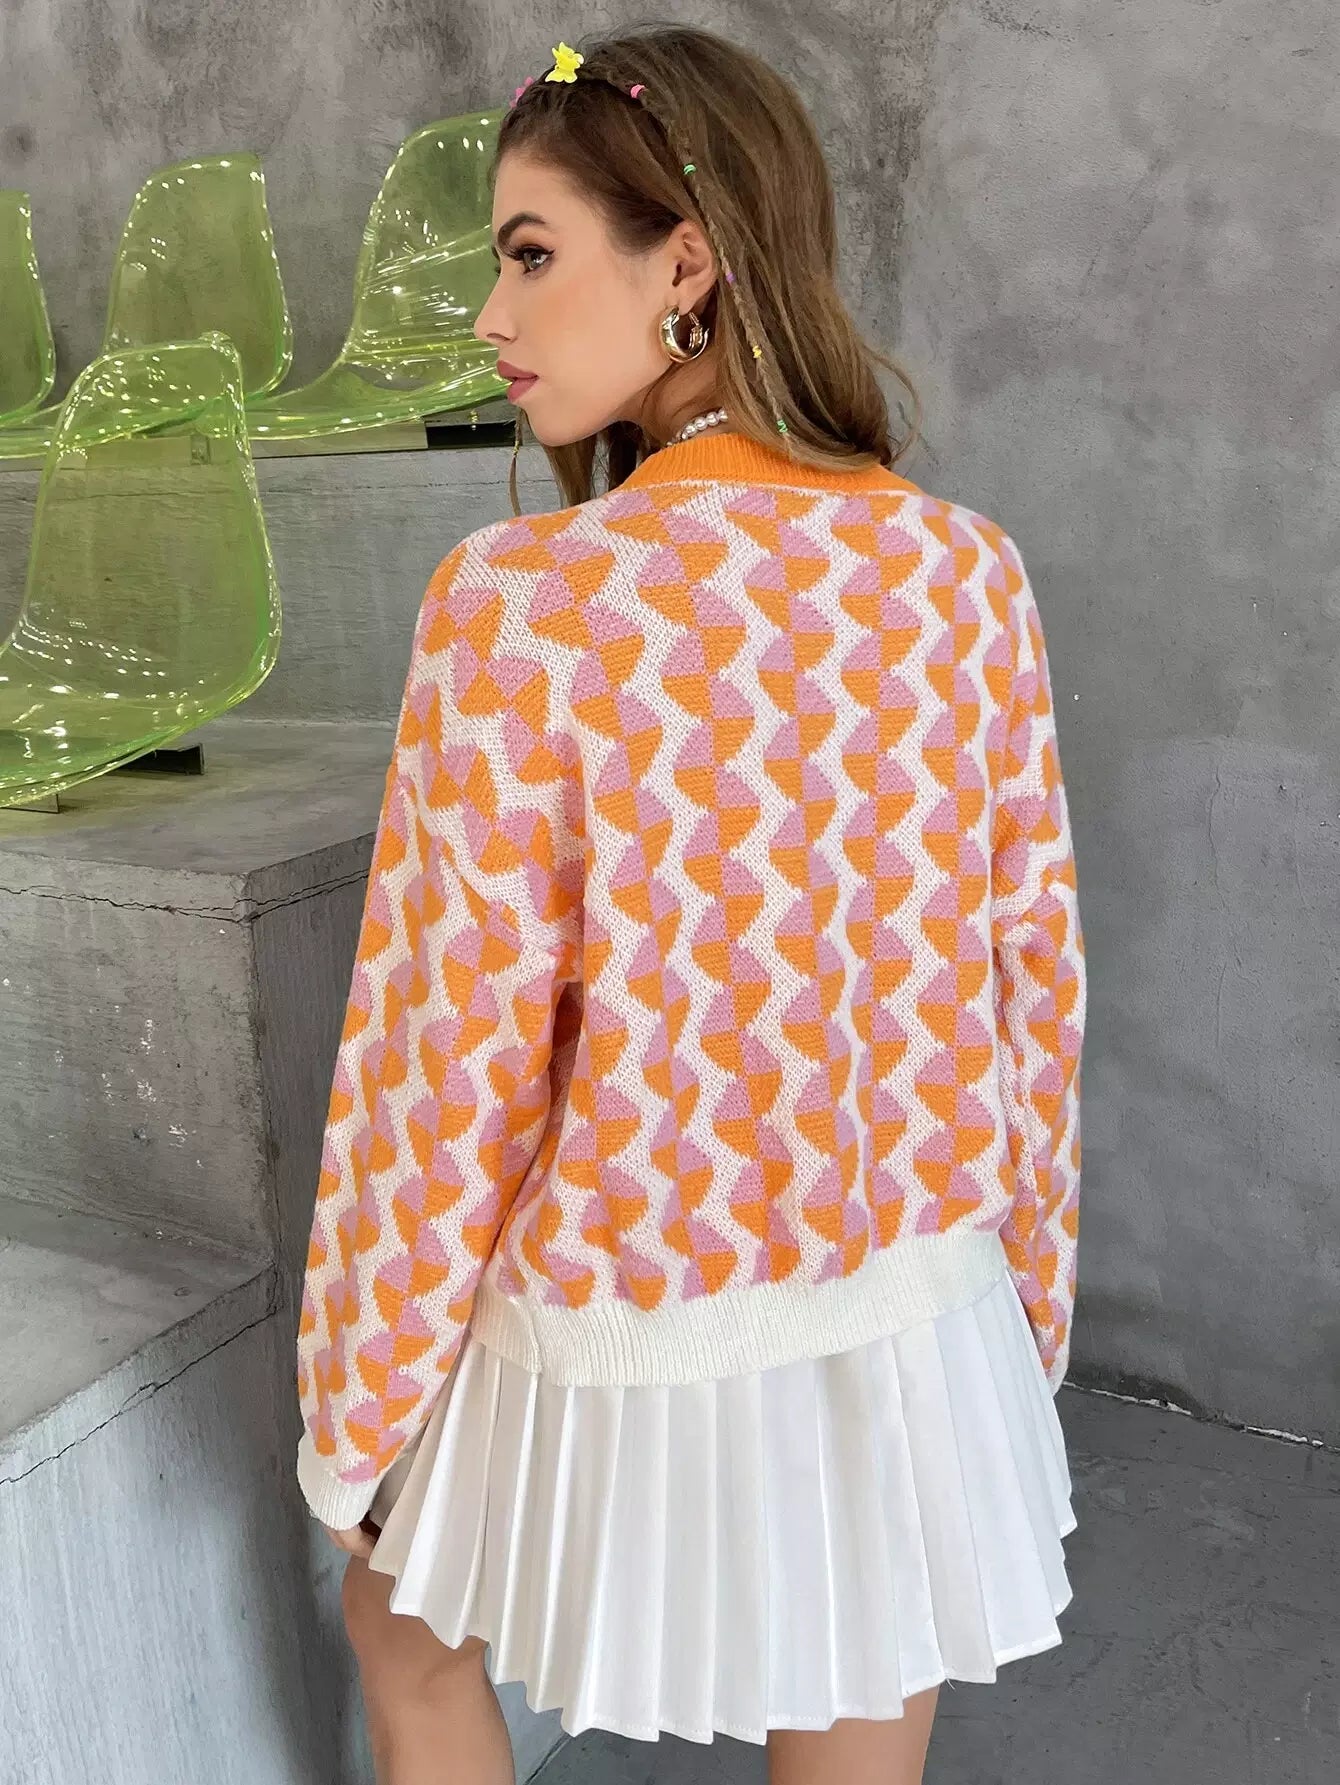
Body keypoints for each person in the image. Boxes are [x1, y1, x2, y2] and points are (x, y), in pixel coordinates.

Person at [295, 24, 1086, 1785]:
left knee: (404, 1631)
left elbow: (447, 1057)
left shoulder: (526, 603)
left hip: (630, 1302)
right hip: (915, 1299)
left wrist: (360, 1406)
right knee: (861, 1661)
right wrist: (1025, 1302)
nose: (491, 315)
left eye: (529, 253)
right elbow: (1029, 975)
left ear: (690, 263)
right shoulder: (963, 571)